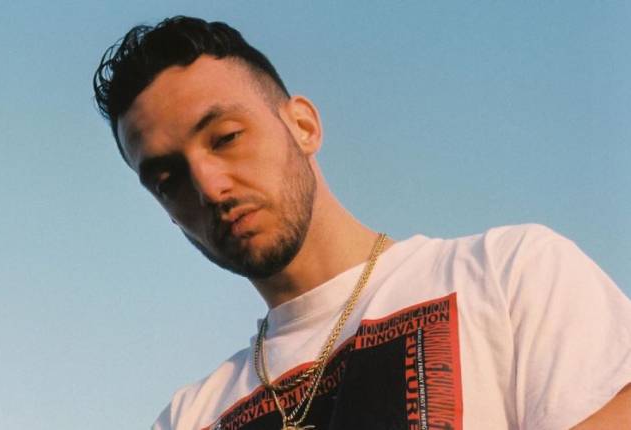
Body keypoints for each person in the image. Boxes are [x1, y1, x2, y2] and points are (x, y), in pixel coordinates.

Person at [93, 16, 631, 430]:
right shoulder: (191, 417)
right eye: (169, 179)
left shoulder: (509, 274)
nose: (209, 187)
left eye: (227, 137)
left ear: (303, 126)